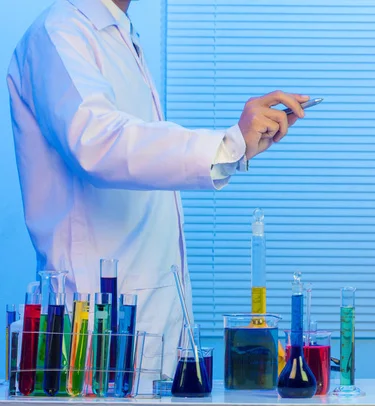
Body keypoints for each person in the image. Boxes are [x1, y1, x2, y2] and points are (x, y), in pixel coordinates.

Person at [6, 0, 308, 384]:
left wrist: (237, 148)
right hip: (92, 333)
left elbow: (142, 158)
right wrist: (227, 143)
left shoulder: (118, 33)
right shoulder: (59, 33)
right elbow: (99, 144)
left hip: (152, 327)